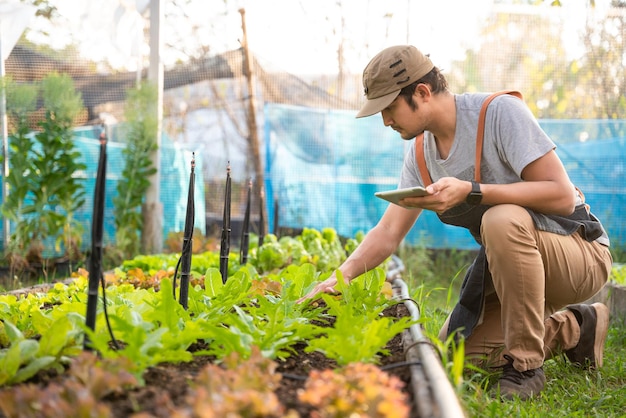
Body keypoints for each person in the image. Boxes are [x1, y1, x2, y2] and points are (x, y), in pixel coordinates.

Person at [297, 45, 612, 400]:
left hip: (578, 255)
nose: (386, 121)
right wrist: (340, 277)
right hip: (516, 271)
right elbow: (388, 231)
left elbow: (561, 195)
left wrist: (472, 191)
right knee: (459, 357)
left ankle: (526, 366)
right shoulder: (420, 152)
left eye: (389, 108)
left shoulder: (498, 113)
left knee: (501, 218)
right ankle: (578, 327)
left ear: (422, 92)